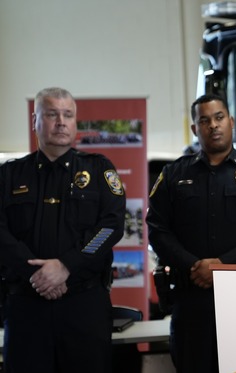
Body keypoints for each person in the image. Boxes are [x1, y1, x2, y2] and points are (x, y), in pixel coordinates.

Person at [146, 93, 236, 373]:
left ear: (231, 122)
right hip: (191, 298)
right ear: (194, 129)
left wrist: (223, 267)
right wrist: (194, 266)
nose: (213, 125)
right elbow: (157, 230)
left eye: (219, 117)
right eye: (204, 120)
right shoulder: (173, 174)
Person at [0, 87, 126, 372]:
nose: (61, 121)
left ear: (75, 122)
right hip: (25, 306)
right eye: (52, 114)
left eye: (68, 115)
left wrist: (68, 265)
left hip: (84, 305)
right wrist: (35, 272)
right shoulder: (8, 175)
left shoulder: (98, 170)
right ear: (35, 121)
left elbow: (111, 227)